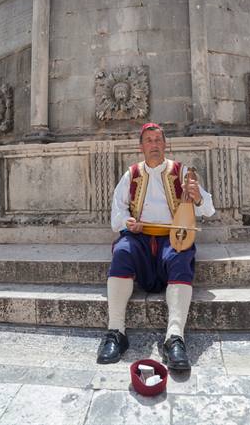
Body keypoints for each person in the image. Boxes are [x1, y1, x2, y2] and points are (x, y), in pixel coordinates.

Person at [97, 123, 215, 370]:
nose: (154, 145)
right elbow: (116, 212)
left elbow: (209, 209)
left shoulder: (181, 172)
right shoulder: (131, 174)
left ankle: (174, 337)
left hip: (174, 236)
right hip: (140, 237)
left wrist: (199, 198)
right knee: (122, 252)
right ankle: (115, 332)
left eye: (158, 140)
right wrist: (127, 222)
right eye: (149, 141)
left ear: (165, 144)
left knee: (181, 255)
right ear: (141, 147)